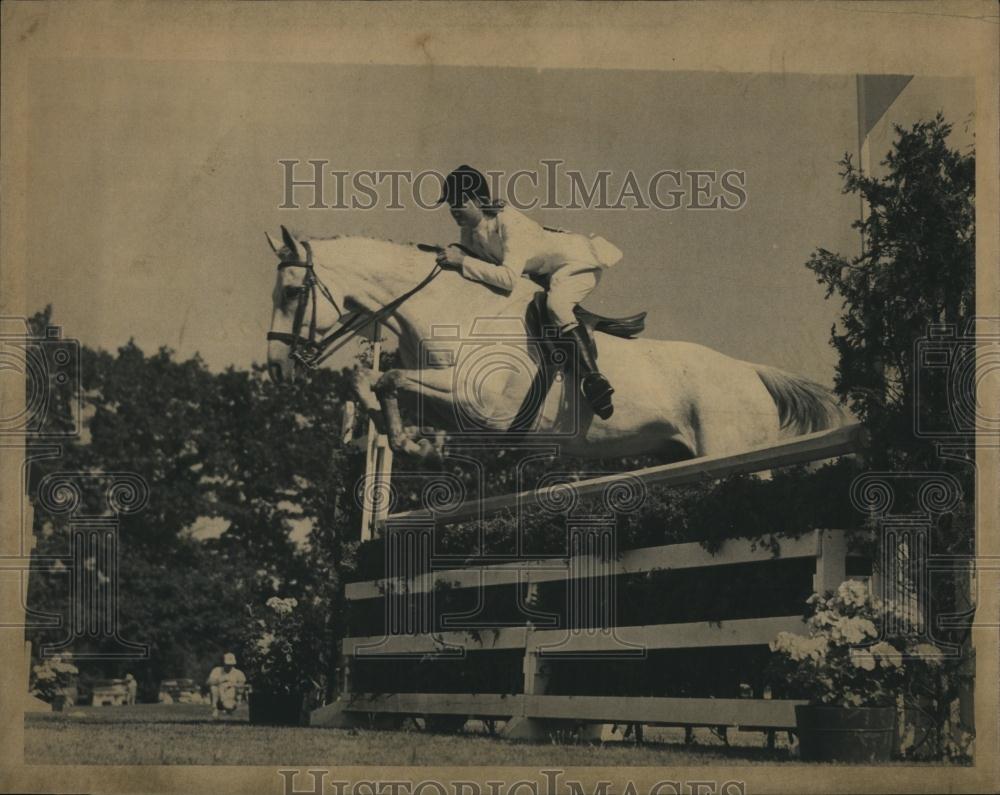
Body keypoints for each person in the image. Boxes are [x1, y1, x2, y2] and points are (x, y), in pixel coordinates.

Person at [435, 164, 623, 419]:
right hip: (544, 271)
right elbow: (477, 268)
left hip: (577, 262)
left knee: (556, 306)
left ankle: (594, 380)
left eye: (459, 201)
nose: (453, 209)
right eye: (450, 203)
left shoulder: (509, 221)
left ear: (478, 199)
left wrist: (462, 262)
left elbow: (508, 278)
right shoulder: (470, 231)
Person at [206, 652, 246, 719]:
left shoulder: (238, 673)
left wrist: (233, 685)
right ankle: (214, 709)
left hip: (231, 698)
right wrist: (219, 680)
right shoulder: (217, 670)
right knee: (213, 688)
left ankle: (229, 710)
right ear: (224, 663)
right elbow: (208, 682)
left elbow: (243, 685)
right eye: (227, 664)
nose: (229, 666)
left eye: (231, 664)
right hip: (219, 697)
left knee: (228, 705)